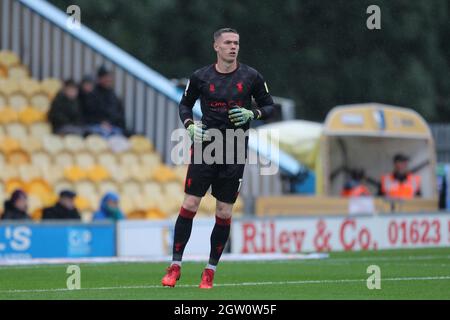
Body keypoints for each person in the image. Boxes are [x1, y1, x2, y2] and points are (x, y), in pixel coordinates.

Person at [161, 28, 275, 289]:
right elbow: (184, 104)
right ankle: (175, 265)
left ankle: (209, 271)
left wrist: (252, 114)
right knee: (190, 203)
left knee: (223, 211)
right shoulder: (201, 77)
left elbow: (269, 106)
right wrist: (189, 124)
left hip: (234, 149)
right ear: (216, 47)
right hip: (206, 146)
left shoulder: (251, 76)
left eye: (236, 42)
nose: (233, 47)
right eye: (227, 43)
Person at [84, 66, 126, 138]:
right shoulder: (93, 94)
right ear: (99, 79)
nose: (108, 79)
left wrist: (110, 123)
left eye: (109, 77)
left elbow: (119, 113)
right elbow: (89, 113)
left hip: (113, 126)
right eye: (105, 77)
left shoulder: (113, 95)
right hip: (96, 126)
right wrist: (101, 122)